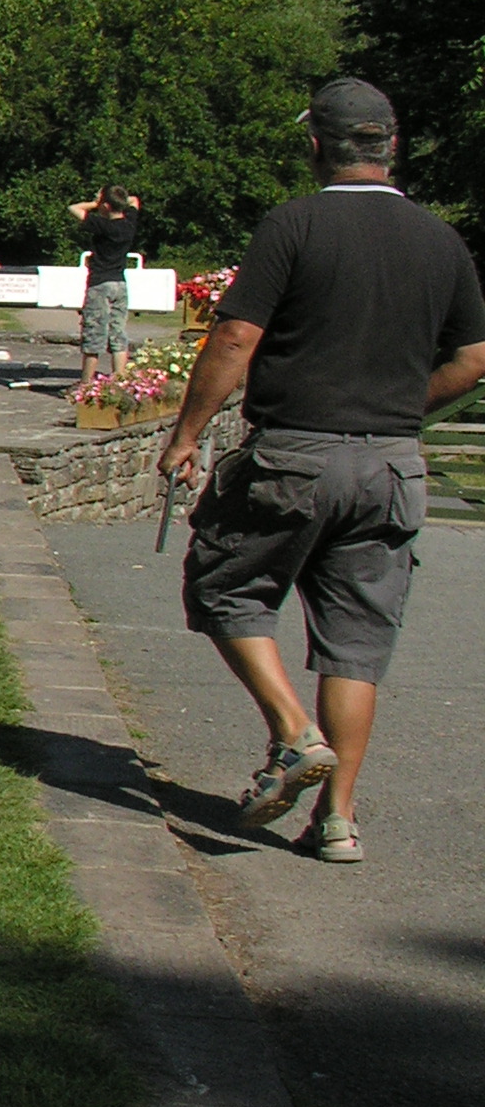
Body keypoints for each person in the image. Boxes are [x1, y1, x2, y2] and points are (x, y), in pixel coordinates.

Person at [159, 80, 485, 861]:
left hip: (294, 454)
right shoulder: (443, 241)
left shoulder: (296, 224)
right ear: (392, 145)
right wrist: (402, 407)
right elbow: (473, 359)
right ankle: (337, 821)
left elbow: (236, 336)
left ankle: (293, 732)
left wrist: (187, 434)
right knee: (355, 644)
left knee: (224, 585)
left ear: (315, 147)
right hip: (392, 468)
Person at [68, 184, 143, 383]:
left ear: (106, 206)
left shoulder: (102, 225)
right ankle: (119, 379)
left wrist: (94, 204)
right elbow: (134, 201)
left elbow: (74, 208)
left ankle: (86, 383)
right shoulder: (128, 224)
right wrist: (120, 200)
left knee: (94, 334)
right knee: (117, 333)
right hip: (120, 283)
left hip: (99, 283)